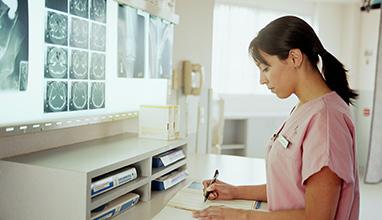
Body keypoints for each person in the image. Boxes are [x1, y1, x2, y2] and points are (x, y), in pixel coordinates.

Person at [192, 16, 359, 220]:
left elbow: (318, 217)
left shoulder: (326, 121)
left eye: (266, 68)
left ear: (295, 58)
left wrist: (242, 216)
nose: (262, 80)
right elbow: (291, 188)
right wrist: (235, 191)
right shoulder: (304, 108)